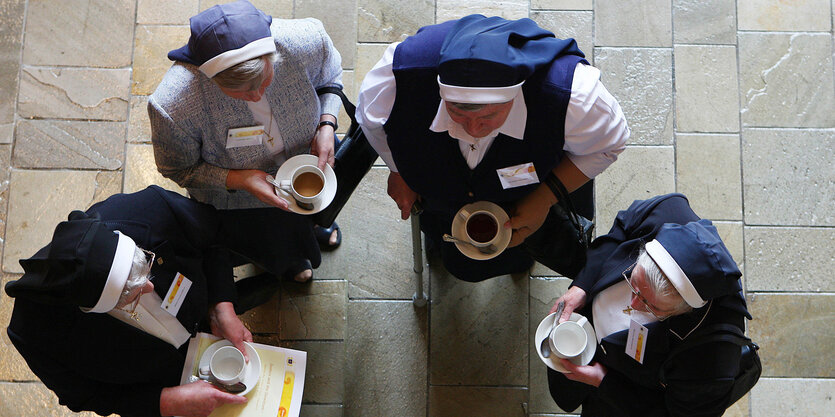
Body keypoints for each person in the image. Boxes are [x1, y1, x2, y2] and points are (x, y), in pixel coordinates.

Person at [356, 14, 629, 282]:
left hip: (527, 194)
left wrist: (546, 196)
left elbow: (610, 143)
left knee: (520, 253)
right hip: (439, 194)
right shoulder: (399, 78)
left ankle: (520, 262)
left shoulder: (571, 96)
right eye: (457, 112)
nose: (473, 129)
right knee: (458, 259)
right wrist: (397, 169)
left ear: (514, 94)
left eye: (488, 117)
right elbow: (370, 121)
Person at [4, 186, 268, 417]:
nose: (150, 287)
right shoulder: (33, 335)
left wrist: (221, 307)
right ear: (91, 309)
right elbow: (83, 395)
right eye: (130, 296)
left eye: (144, 268)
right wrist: (166, 403)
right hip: (161, 381)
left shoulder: (147, 209)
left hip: (204, 318)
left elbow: (211, 237)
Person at [149, 0, 343, 284]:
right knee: (273, 240)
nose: (255, 97)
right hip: (243, 201)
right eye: (238, 92)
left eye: (264, 82)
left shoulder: (305, 41)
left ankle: (312, 226)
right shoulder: (174, 106)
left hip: (306, 161)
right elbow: (178, 170)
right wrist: (239, 179)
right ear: (210, 78)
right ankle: (288, 261)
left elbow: (331, 78)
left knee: (312, 212)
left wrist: (327, 122)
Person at [545, 193, 752, 416]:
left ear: (685, 309)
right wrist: (583, 285)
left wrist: (603, 382)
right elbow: (620, 232)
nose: (633, 304)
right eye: (633, 283)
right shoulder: (668, 212)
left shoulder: (712, 359)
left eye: (650, 305)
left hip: (619, 397)